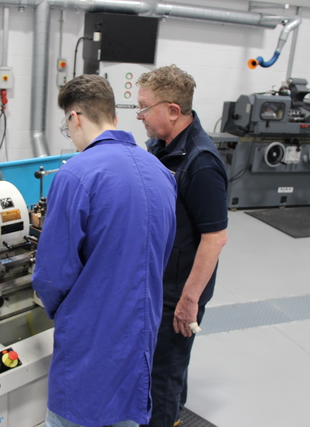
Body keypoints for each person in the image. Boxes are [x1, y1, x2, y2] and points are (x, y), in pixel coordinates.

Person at [32, 74, 177, 427]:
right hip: (140, 336)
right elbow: (162, 251)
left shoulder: (76, 174)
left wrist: (64, 312)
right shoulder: (161, 172)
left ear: (75, 118)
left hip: (90, 342)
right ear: (112, 114)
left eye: (69, 127)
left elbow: (52, 276)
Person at [135, 65, 229, 427]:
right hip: (160, 280)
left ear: (173, 111)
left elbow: (215, 237)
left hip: (179, 291)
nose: (140, 115)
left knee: (164, 374)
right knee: (166, 365)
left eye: (144, 107)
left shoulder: (200, 164)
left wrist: (189, 302)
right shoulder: (163, 148)